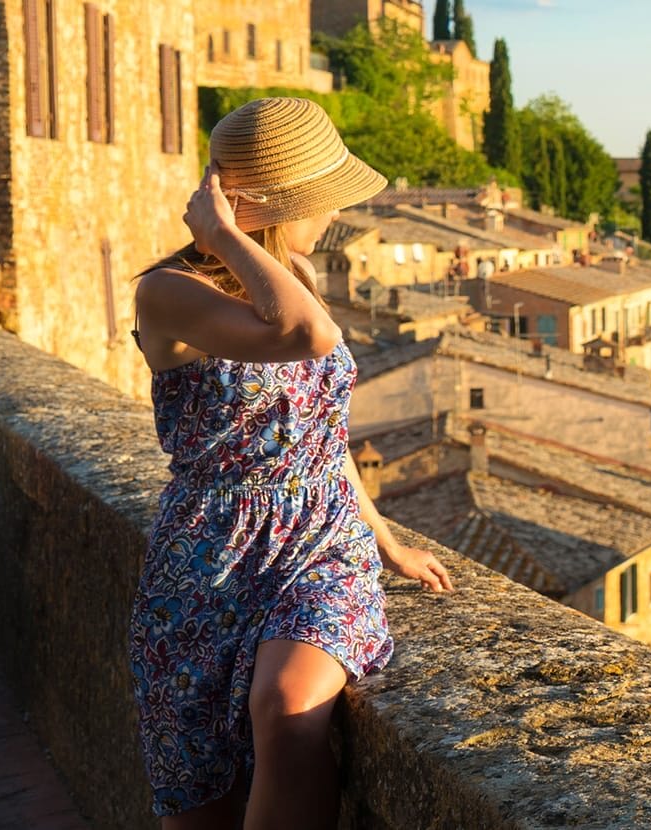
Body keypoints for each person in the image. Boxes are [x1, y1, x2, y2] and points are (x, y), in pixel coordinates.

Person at [126, 97, 454, 830]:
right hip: (205, 557)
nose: (332, 215)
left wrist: (382, 535)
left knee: (287, 706)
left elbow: (321, 433)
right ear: (271, 204)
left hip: (319, 542)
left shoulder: (295, 271)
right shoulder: (169, 293)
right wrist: (223, 235)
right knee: (198, 798)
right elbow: (308, 337)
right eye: (322, 199)